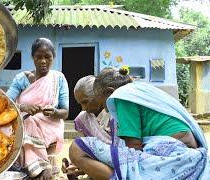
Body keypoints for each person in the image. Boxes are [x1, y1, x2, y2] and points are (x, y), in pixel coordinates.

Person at [69, 67, 210, 180]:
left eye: (98, 98)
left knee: (77, 147)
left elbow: (133, 151)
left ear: (109, 92)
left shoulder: (122, 97)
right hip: (185, 152)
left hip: (171, 151)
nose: (101, 105)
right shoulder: (139, 91)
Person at [6, 38, 69, 180]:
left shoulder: (58, 78)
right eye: (38, 57)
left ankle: (38, 167)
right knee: (28, 122)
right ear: (32, 57)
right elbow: (6, 103)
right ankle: (41, 167)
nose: (43, 61)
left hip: (50, 128)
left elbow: (65, 112)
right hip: (24, 127)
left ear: (53, 57)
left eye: (48, 57)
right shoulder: (21, 79)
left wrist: (54, 112)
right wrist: (23, 107)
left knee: (30, 123)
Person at [62, 75, 112, 180]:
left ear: (97, 95)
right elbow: (87, 152)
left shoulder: (113, 114)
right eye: (80, 104)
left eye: (85, 102)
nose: (84, 108)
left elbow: (121, 153)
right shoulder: (83, 119)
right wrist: (76, 166)